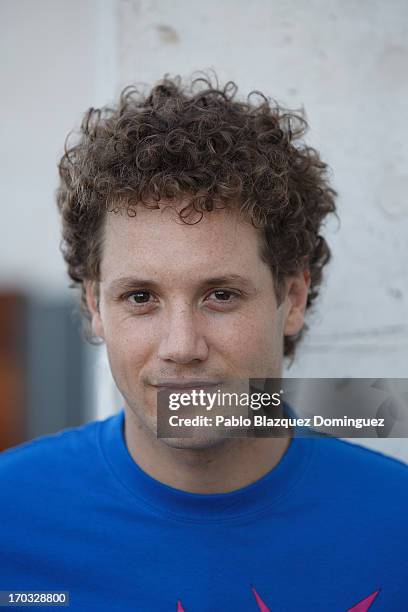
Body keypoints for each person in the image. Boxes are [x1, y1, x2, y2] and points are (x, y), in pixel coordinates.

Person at [0, 74, 407, 611]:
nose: (181, 346)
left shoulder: (396, 523)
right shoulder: (12, 516)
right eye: (141, 296)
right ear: (97, 307)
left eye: (220, 294)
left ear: (293, 296)